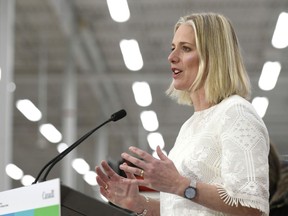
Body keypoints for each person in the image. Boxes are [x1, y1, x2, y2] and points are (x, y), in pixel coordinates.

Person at [95, 12, 270, 216]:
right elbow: (184, 209)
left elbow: (252, 208)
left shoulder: (236, 113)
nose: (171, 57)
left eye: (185, 48)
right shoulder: (190, 126)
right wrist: (138, 203)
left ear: (213, 56)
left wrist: (180, 184)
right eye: (172, 48)